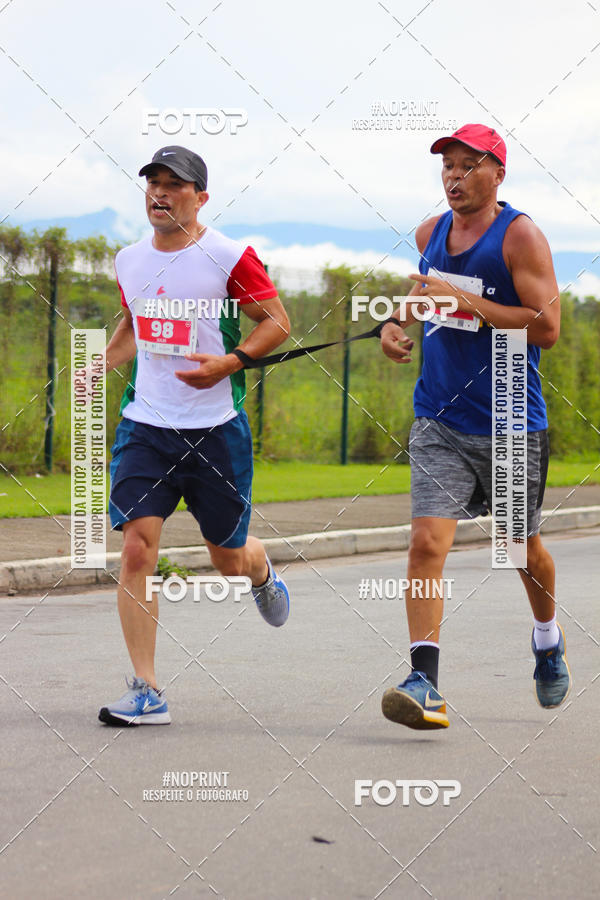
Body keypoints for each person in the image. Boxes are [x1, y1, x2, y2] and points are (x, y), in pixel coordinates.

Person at [379, 124, 570, 730]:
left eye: (467, 166)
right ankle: (425, 684)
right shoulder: (430, 232)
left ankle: (546, 638)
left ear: (497, 174)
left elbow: (545, 327)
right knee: (425, 544)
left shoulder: (521, 237)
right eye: (447, 167)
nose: (453, 177)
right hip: (439, 416)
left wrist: (465, 305)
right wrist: (396, 322)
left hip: (512, 418)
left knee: (520, 548)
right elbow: (424, 289)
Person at [98, 145, 291, 726]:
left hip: (214, 431)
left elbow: (277, 321)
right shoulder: (128, 259)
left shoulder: (229, 256)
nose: (159, 193)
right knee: (136, 548)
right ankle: (145, 689)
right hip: (146, 426)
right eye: (152, 183)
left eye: (174, 185)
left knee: (227, 559)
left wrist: (230, 362)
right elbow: (134, 325)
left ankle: (260, 572)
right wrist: (101, 364)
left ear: (200, 197)